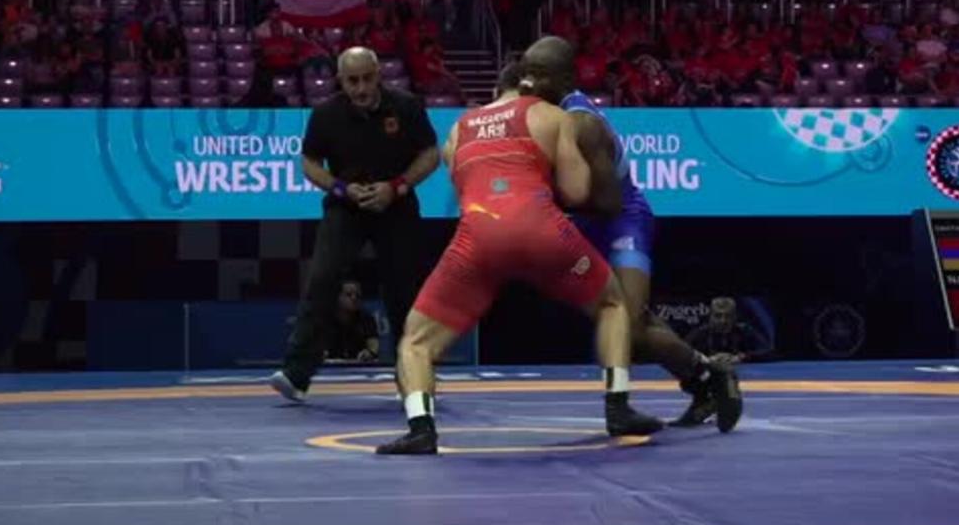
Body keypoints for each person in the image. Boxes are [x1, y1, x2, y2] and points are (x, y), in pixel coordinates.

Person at [375, 65, 663, 454]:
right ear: (529, 87)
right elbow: (577, 192)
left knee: (415, 340)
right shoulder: (551, 115)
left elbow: (465, 185)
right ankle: (618, 407)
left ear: (497, 89)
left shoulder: (459, 128)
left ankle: (421, 428)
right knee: (613, 304)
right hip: (541, 231)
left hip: (480, 238)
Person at [518, 36, 743, 432]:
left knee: (630, 326)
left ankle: (697, 381)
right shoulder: (540, 114)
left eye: (540, 75)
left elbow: (608, 203)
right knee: (631, 321)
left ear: (566, 79)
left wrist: (550, 203)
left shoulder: (583, 124)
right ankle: (706, 379)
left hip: (622, 219)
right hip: (586, 221)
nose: (529, 84)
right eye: (526, 74)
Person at [270, 47, 441, 402]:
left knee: (405, 291)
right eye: (352, 81)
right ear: (341, 81)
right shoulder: (326, 114)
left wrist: (396, 187)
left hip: (396, 206)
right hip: (345, 207)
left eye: (366, 79)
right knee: (322, 279)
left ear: (378, 75)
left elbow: (430, 154)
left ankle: (413, 379)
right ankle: (296, 374)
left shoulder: (406, 106)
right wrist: (341, 188)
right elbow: (309, 162)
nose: (361, 88)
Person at [686, 296, 768, 366]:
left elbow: (768, 352)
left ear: (735, 317)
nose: (723, 321)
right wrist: (705, 359)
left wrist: (741, 357)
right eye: (718, 316)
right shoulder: (699, 334)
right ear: (710, 316)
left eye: (728, 316)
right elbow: (684, 354)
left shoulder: (745, 331)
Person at [323, 280, 380, 362]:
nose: (354, 298)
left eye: (358, 295)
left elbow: (373, 345)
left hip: (357, 365)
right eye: (348, 295)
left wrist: (369, 353)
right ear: (337, 297)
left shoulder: (367, 319)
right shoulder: (325, 319)